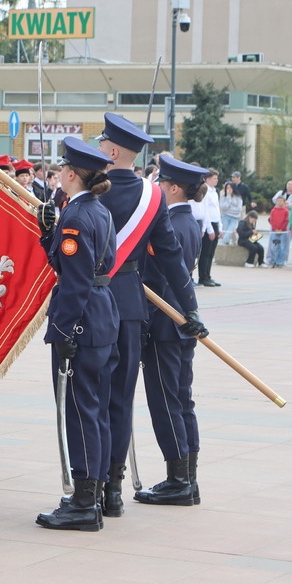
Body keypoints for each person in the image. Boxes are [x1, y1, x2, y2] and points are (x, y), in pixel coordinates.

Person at [95, 113, 205, 518]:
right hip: (139, 309)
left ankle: (100, 486)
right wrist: (191, 306)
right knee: (127, 402)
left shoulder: (97, 191)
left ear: (110, 149)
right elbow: (174, 260)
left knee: (100, 402)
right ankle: (122, 489)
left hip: (120, 313)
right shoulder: (154, 199)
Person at [34, 137, 118, 532]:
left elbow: (74, 281)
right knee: (96, 409)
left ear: (70, 175)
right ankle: (94, 492)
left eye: (62, 171)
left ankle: (84, 503)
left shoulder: (78, 216)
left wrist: (64, 329)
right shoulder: (97, 210)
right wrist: (48, 232)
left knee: (80, 411)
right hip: (103, 314)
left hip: (82, 319)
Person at [136, 154, 210, 508]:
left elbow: (160, 279)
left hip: (166, 323)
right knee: (182, 400)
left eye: (161, 183)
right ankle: (188, 478)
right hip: (180, 324)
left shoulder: (171, 224)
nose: (157, 188)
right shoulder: (188, 221)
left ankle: (178, 479)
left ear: (175, 187)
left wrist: (144, 322)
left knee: (166, 402)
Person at [195, 170, 222, 288]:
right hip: (208, 223)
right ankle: (203, 276)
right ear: (208, 179)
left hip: (215, 222)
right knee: (205, 252)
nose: (216, 180)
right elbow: (205, 210)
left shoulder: (215, 192)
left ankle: (208, 275)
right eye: (214, 178)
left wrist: (220, 227)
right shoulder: (204, 190)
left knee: (211, 253)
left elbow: (217, 210)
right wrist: (208, 229)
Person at [268, 195, 291, 267]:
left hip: (283, 232)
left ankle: (280, 261)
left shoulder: (285, 211)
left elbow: (286, 221)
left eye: (281, 201)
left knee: (282, 247)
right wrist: (275, 229)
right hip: (274, 232)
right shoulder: (273, 210)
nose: (279, 202)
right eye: (278, 201)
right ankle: (273, 260)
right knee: (274, 246)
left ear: (284, 202)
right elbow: (271, 220)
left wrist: (281, 229)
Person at [219, 181, 243, 247]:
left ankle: (222, 245)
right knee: (224, 233)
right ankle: (224, 245)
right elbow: (223, 207)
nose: (229, 189)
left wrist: (230, 209)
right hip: (225, 217)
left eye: (230, 188)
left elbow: (239, 209)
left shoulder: (238, 197)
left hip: (234, 218)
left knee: (229, 232)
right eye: (227, 188)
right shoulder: (224, 197)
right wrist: (228, 197)